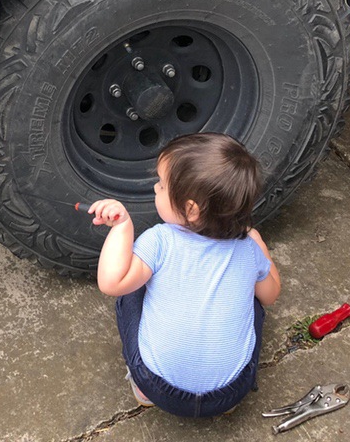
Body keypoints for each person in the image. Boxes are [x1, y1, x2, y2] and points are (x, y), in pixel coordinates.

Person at [88, 132, 280, 418]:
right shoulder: (248, 249)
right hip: (230, 391)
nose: (156, 187)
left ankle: (142, 392)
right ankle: (229, 396)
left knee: (132, 290)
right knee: (254, 298)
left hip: (158, 386)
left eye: (163, 186)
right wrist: (259, 246)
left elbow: (111, 282)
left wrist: (122, 227)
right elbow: (271, 295)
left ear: (191, 210)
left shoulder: (160, 240)